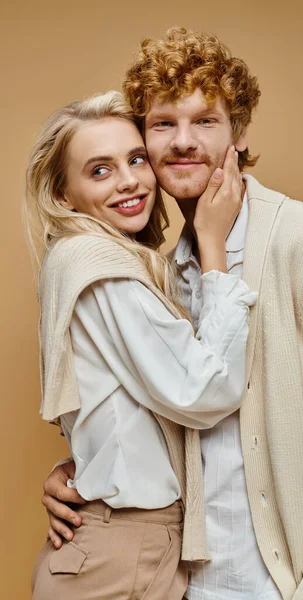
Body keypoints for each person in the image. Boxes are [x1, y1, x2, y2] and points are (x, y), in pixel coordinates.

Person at [42, 28, 303, 600]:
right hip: (174, 584)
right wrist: (80, 475)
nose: (183, 142)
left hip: (278, 588)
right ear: (145, 140)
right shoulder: (162, 273)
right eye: (162, 124)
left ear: (238, 131)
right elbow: (161, 414)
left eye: (205, 120)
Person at [26, 90, 258, 599]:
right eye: (100, 170)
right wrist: (214, 245)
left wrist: (84, 472)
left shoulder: (88, 259)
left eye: (134, 159)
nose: (130, 180)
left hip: (121, 545)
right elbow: (206, 392)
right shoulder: (101, 268)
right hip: (119, 554)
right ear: (63, 194)